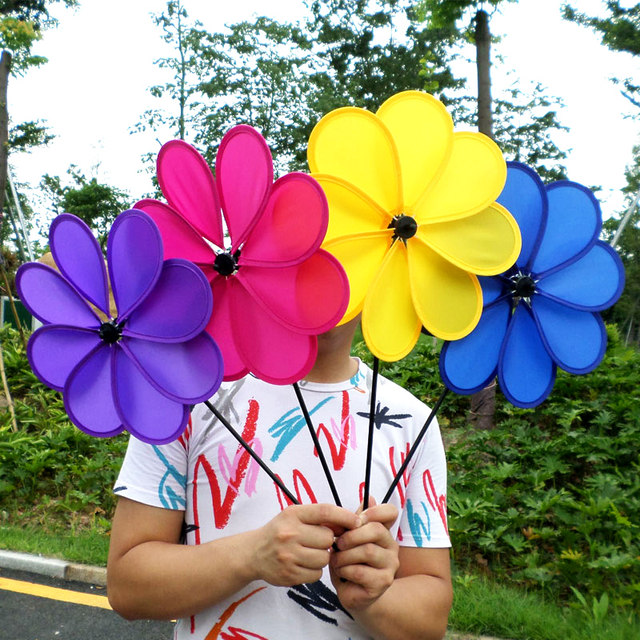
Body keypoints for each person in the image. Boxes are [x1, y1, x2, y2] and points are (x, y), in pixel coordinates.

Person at [107, 316, 453, 639]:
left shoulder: (411, 421)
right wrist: (252, 555)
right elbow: (128, 587)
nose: (328, 274)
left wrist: (372, 597)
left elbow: (430, 620)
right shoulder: (187, 395)